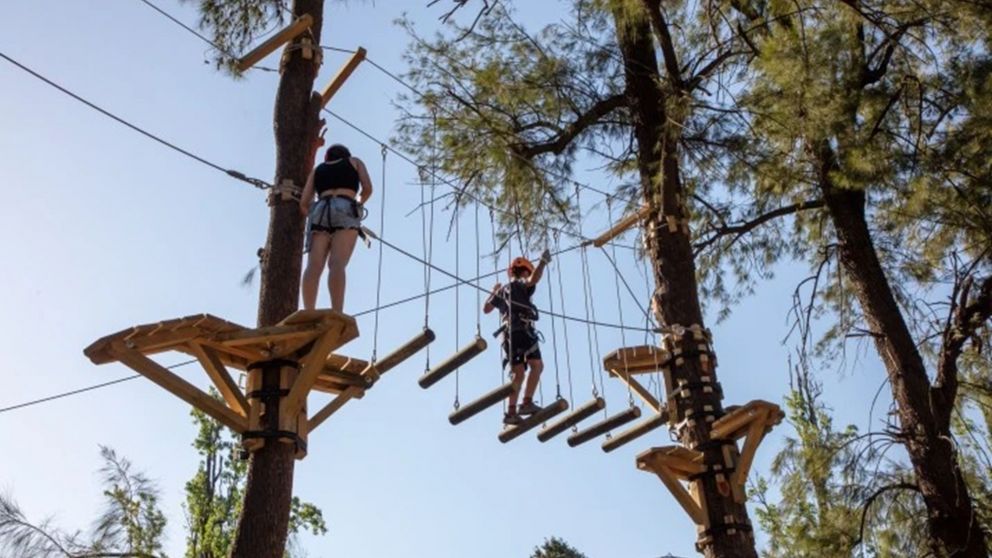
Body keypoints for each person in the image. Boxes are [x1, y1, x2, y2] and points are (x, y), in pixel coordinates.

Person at [299, 130, 373, 312]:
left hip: (320, 209)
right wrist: (358, 205)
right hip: (346, 206)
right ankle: (337, 310)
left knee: (314, 265)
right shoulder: (354, 162)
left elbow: (304, 202)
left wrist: (314, 213)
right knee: (337, 264)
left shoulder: (318, 170)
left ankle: (309, 311)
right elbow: (367, 188)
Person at [483, 249, 552, 425]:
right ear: (524, 271)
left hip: (509, 335)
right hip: (521, 330)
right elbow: (534, 279)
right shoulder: (521, 284)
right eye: (528, 271)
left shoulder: (503, 290)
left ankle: (511, 412)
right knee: (536, 365)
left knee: (518, 373)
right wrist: (543, 262)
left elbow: (486, 309)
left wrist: (493, 291)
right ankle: (526, 403)